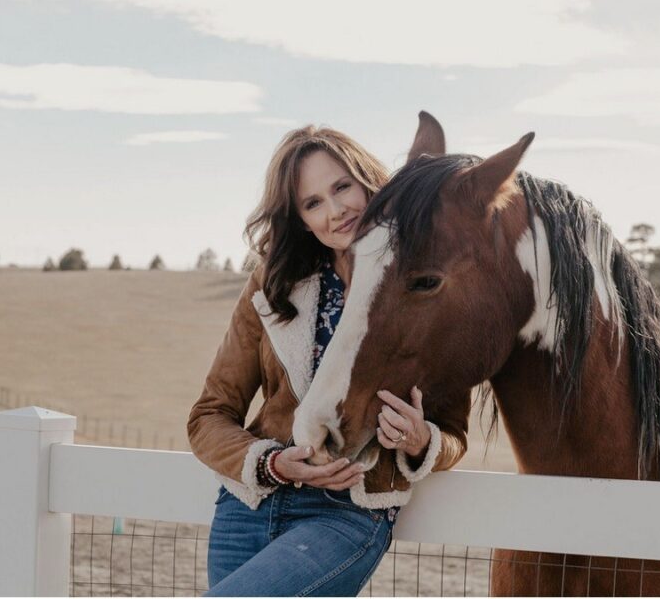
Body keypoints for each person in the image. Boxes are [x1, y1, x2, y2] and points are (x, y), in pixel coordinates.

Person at [187, 125, 470, 596]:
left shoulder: (423, 283)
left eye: (342, 187)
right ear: (300, 220)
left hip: (346, 515)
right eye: (313, 202)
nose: (335, 211)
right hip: (248, 506)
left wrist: (421, 439)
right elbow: (208, 416)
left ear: (367, 181)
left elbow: (454, 436)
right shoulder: (272, 285)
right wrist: (274, 464)